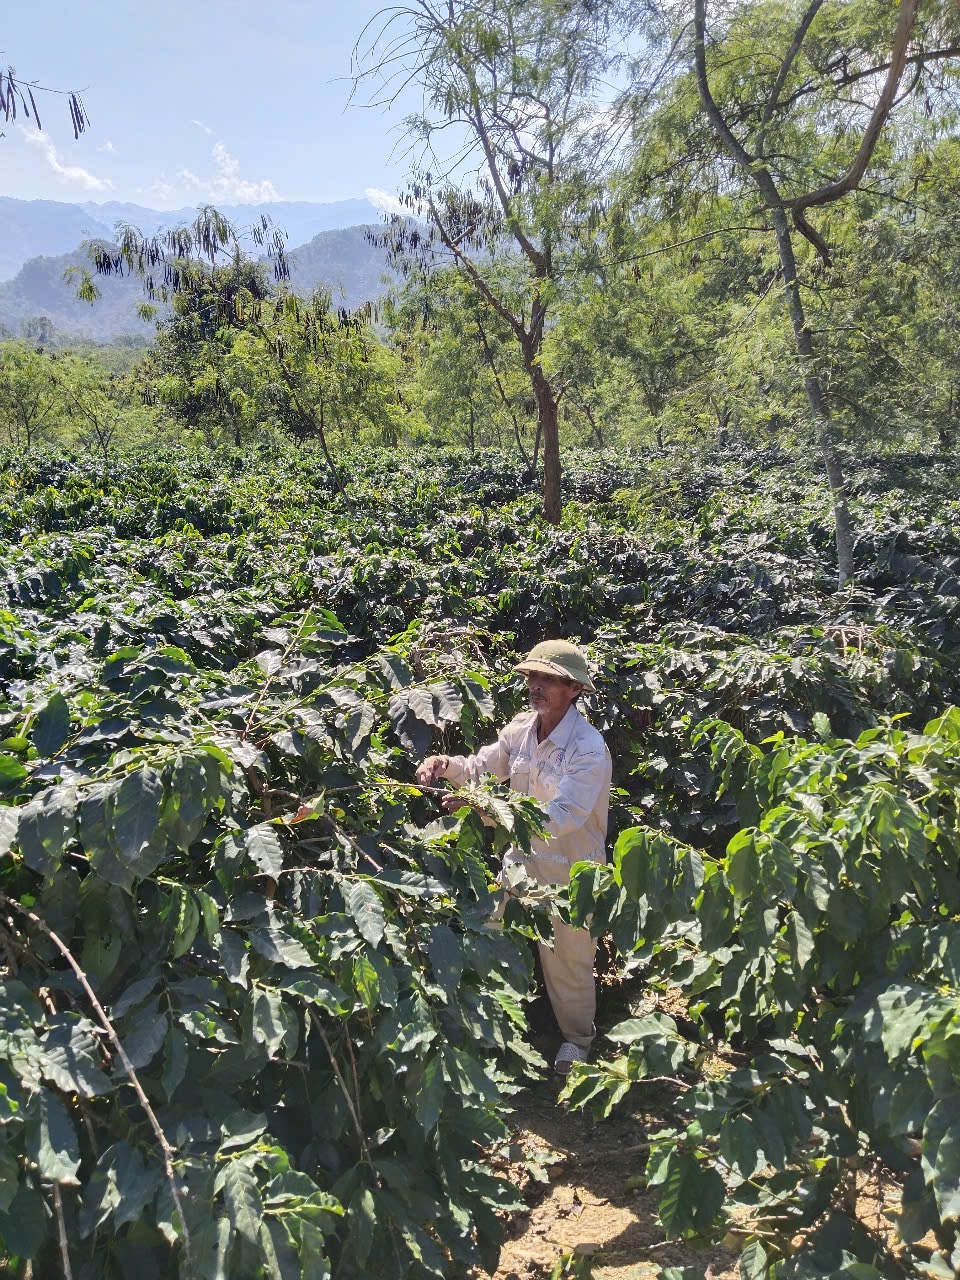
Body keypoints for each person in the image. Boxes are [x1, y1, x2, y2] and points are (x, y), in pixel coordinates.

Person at [416, 639, 612, 1076]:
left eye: (548, 679)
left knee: (568, 961)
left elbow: (563, 817)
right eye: (532, 677)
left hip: (571, 871)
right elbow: (483, 766)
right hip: (520, 863)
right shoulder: (522, 728)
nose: (536, 686)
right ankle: (492, 1026)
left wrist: (486, 810)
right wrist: (446, 764)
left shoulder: (588, 748)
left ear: (574, 690)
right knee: (490, 935)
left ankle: (577, 1041)